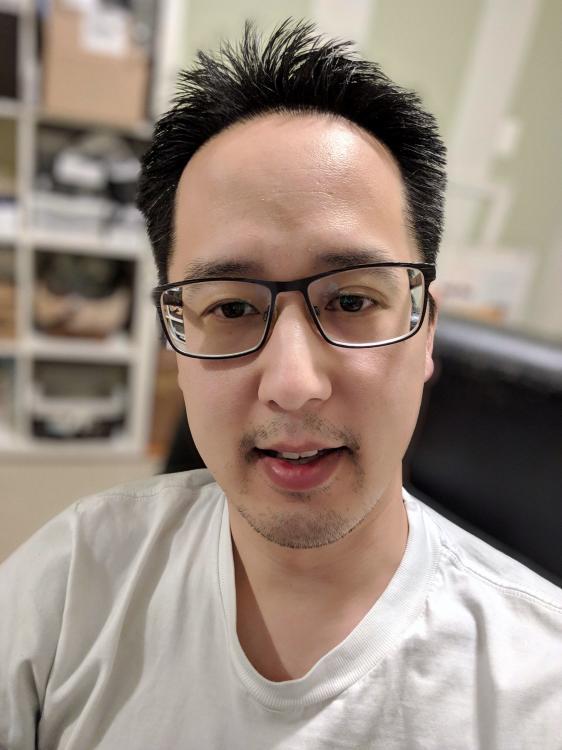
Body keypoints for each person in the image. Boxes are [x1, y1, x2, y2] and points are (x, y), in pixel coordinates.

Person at [1, 20, 560, 750]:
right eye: (231, 309)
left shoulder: (537, 690)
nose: (294, 385)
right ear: (176, 342)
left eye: (352, 300)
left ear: (425, 329)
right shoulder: (76, 579)